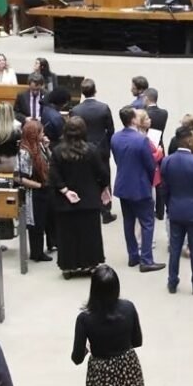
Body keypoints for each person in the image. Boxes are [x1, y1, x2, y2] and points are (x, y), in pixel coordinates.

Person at [50, 116, 110, 278]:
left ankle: (68, 266)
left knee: (67, 236)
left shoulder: (57, 151)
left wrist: (65, 190)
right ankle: (90, 263)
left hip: (65, 202)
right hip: (89, 200)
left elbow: (54, 175)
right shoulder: (92, 150)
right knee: (90, 234)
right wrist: (103, 187)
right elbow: (102, 173)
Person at [111, 106, 163, 272]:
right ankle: (146, 259)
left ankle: (133, 255)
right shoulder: (141, 140)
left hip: (123, 185)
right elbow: (150, 165)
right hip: (140, 186)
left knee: (128, 222)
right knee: (147, 222)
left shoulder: (115, 137)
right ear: (134, 120)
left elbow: (118, 160)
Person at [159, 130, 193, 295]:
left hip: (175, 211)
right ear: (189, 141)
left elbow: (164, 189)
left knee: (175, 249)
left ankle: (172, 282)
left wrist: (169, 207)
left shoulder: (167, 161)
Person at [70, 79, 117, 223]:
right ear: (95, 90)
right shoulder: (103, 108)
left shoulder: (76, 110)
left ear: (82, 92)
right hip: (101, 148)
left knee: (85, 177)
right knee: (104, 177)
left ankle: (88, 206)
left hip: (82, 148)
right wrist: (106, 145)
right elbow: (111, 130)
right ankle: (106, 210)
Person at [15, 118, 53, 263]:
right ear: (34, 134)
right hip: (34, 192)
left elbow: (50, 162)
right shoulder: (24, 152)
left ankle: (49, 245)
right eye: (41, 132)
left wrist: (47, 147)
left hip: (44, 188)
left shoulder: (39, 146)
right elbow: (19, 178)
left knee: (45, 220)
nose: (43, 134)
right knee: (36, 224)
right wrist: (39, 186)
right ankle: (36, 253)